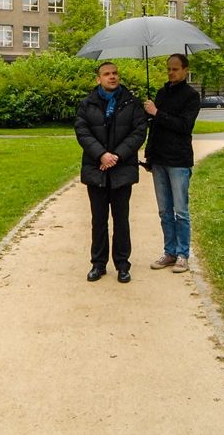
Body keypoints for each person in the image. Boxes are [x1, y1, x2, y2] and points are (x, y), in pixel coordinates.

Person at [74, 61, 148, 284]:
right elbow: (82, 132)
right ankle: (98, 264)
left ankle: (123, 265)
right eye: (107, 74)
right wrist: (101, 155)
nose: (112, 77)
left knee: (121, 220)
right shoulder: (87, 104)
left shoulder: (132, 103)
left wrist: (116, 155)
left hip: (122, 169)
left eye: (115, 73)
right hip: (96, 169)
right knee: (98, 220)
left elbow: (138, 132)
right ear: (99, 79)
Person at [144, 53, 202, 274]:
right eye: (168, 68)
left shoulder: (191, 96)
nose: (171, 72)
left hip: (178, 160)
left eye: (175, 69)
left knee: (181, 211)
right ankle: (169, 252)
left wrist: (157, 113)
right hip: (159, 159)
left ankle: (182, 254)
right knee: (164, 211)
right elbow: (155, 128)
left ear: (185, 70)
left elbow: (184, 126)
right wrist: (149, 155)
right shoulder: (161, 93)